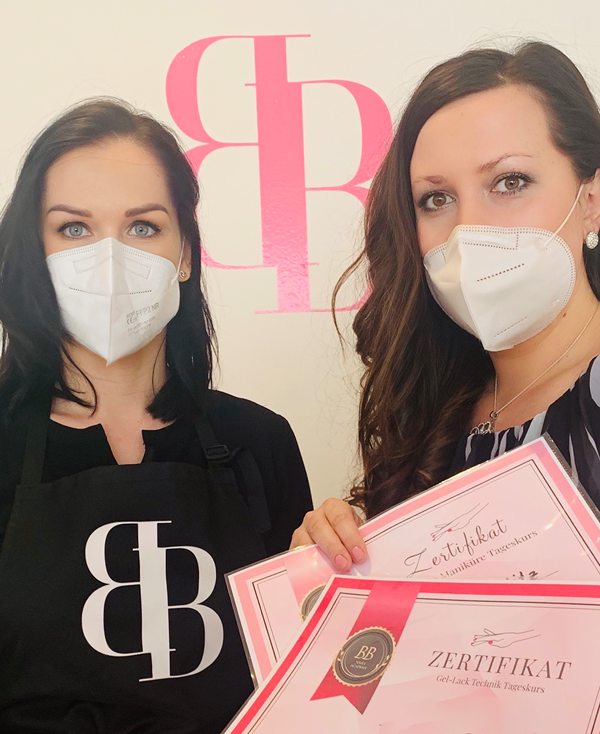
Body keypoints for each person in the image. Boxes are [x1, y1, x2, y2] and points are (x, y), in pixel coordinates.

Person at [0, 98, 312, 733]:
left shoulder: (260, 441)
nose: (110, 259)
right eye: (74, 229)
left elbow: (300, 681)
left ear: (185, 254)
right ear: (35, 253)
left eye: (143, 227)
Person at [291, 40, 600, 571]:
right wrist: (341, 564)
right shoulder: (435, 408)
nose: (468, 230)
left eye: (510, 182)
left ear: (591, 200)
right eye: (437, 199)